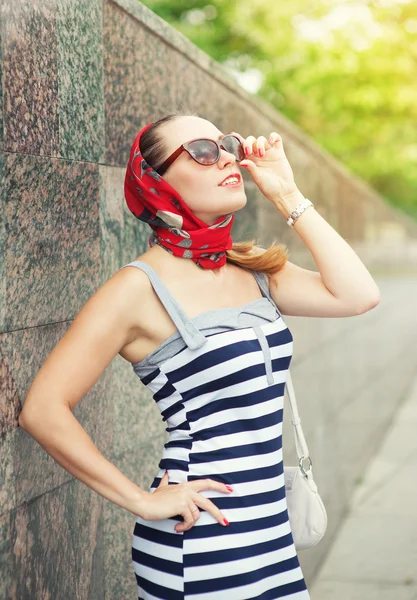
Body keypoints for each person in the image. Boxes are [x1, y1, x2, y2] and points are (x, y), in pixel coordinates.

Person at [19, 111, 380, 599]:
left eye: (226, 144)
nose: (227, 156)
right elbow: (42, 409)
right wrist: (141, 501)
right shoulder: (136, 289)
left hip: (272, 531)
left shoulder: (252, 269)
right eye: (204, 152)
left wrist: (286, 194)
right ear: (156, 182)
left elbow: (358, 296)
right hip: (201, 540)